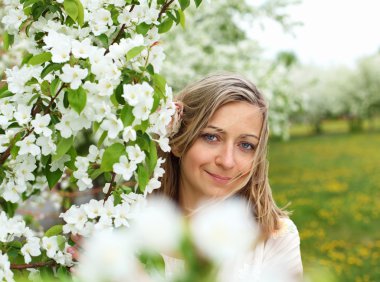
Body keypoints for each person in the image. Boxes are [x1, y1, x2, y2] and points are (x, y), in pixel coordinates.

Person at [157, 73, 303, 281]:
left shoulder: (275, 238)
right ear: (178, 141)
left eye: (246, 145)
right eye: (211, 137)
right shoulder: (126, 228)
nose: (227, 161)